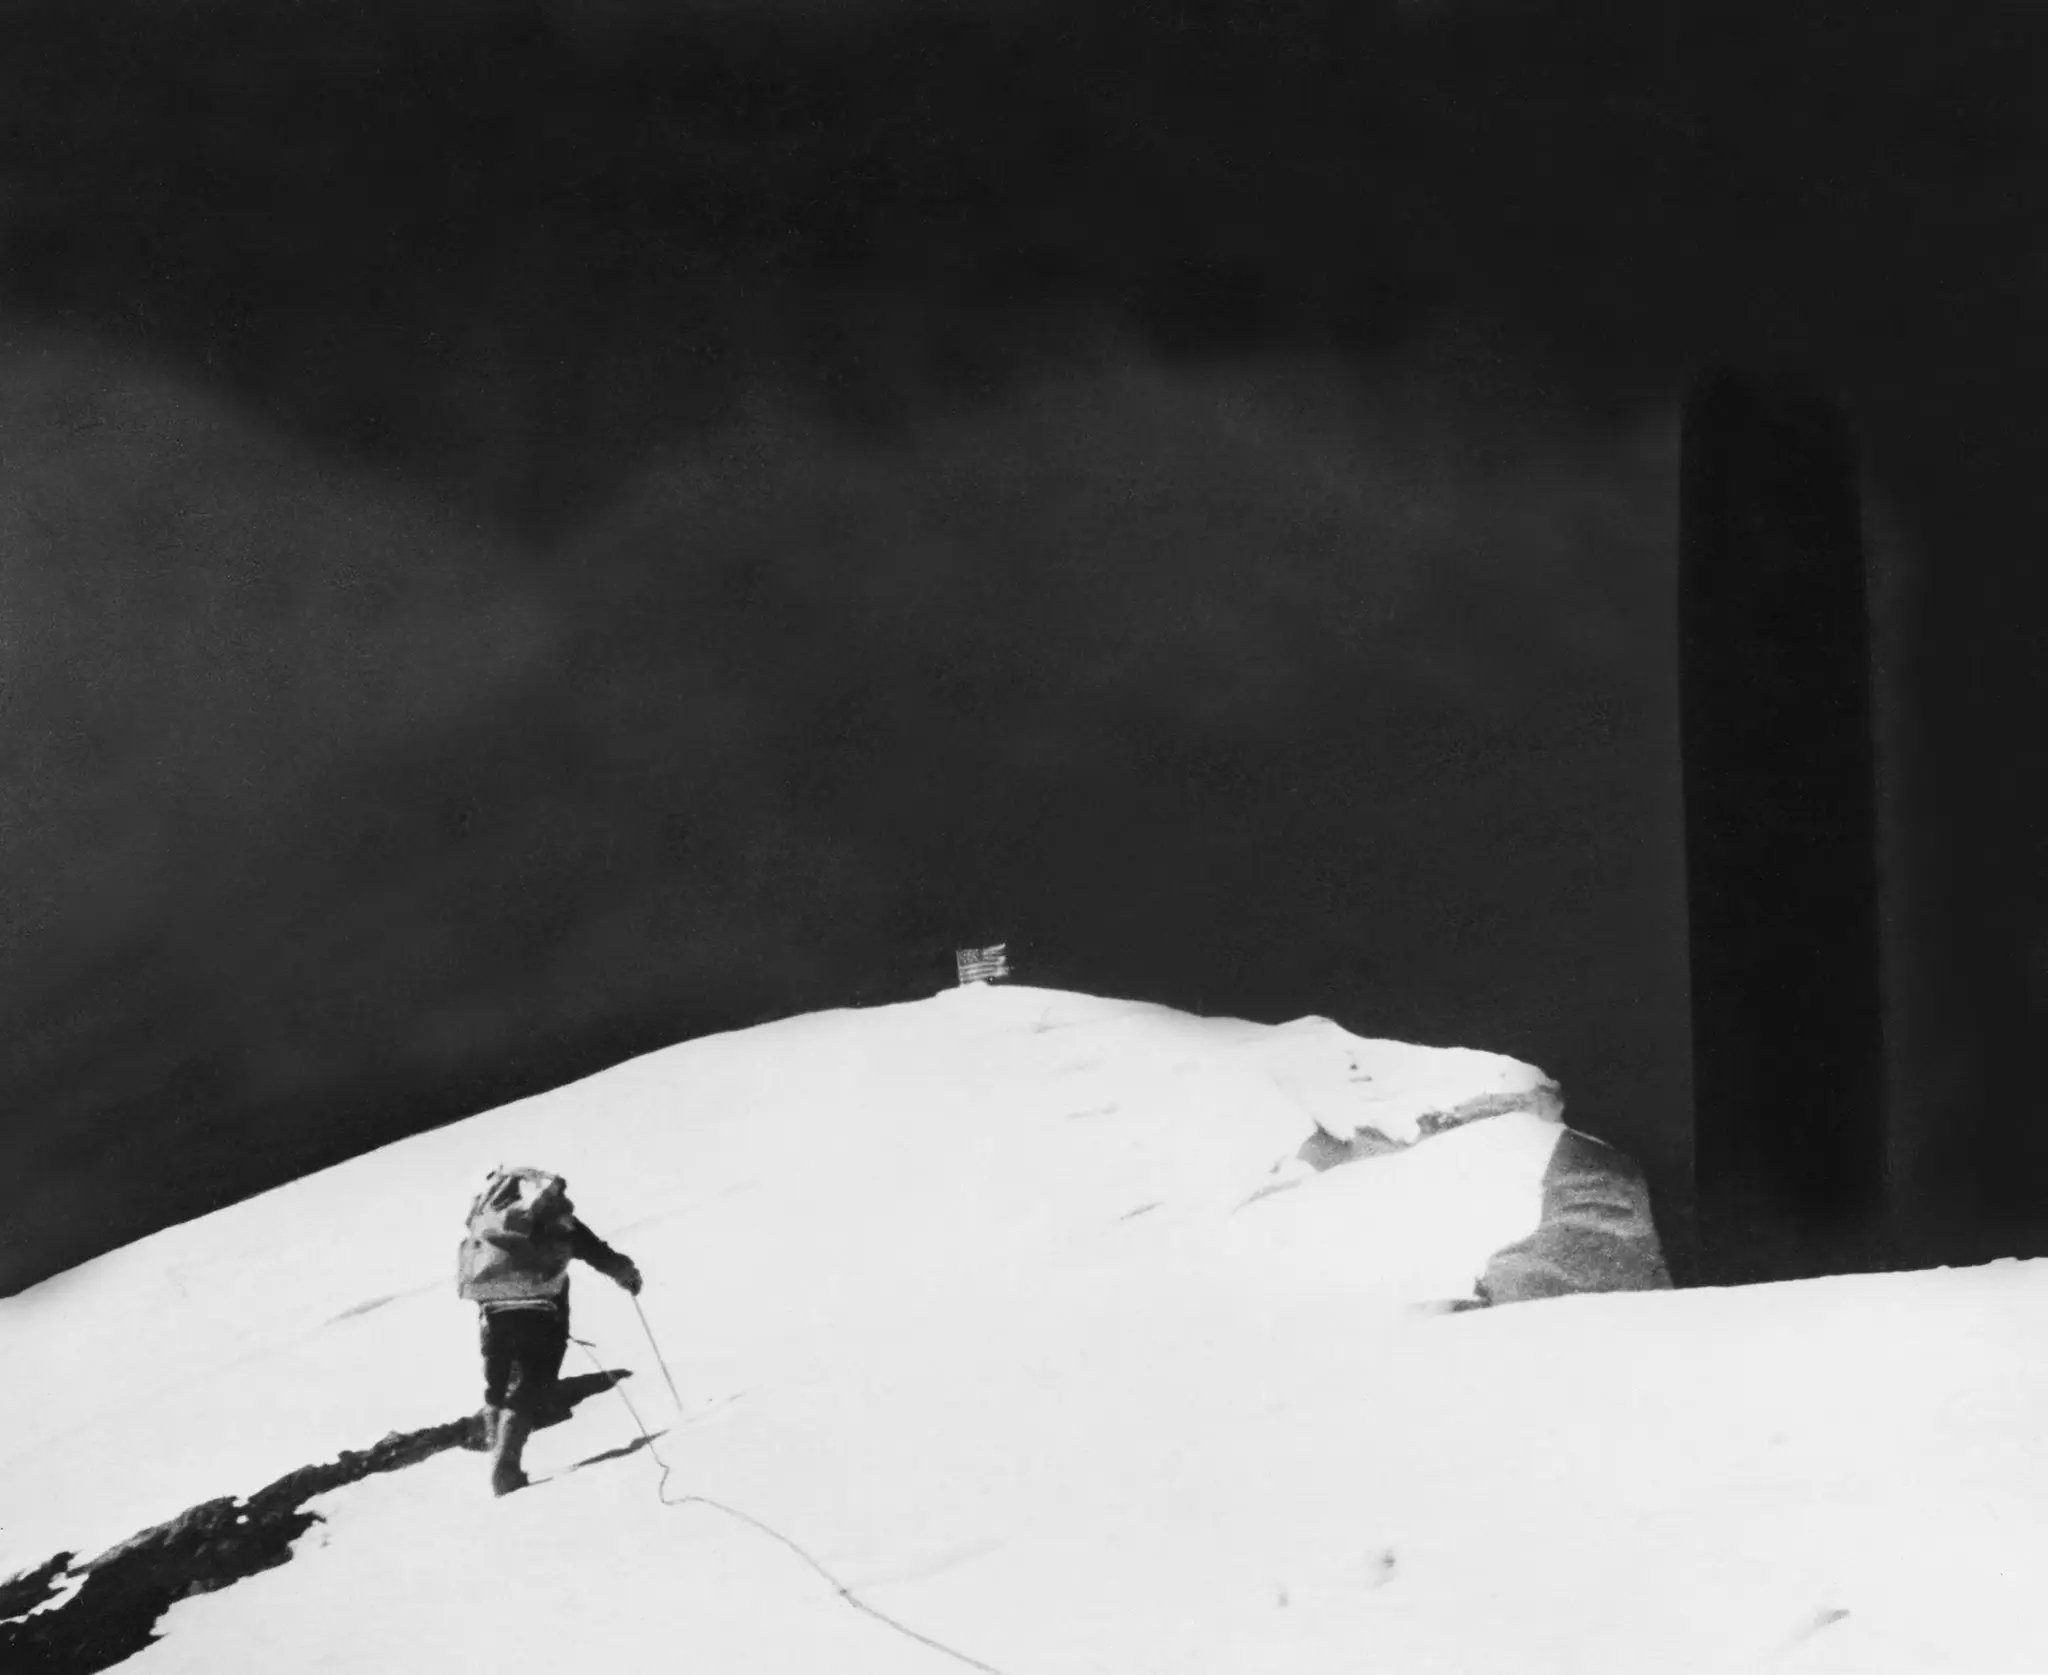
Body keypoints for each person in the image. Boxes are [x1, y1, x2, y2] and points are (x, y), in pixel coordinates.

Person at [460, 1167, 643, 1496]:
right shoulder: (554, 1220)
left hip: (492, 1310)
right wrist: (625, 1273)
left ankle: (495, 1447)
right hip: (541, 1310)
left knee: (499, 1382)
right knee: (532, 1381)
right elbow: (595, 1251)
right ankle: (507, 1465)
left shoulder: (489, 1219)